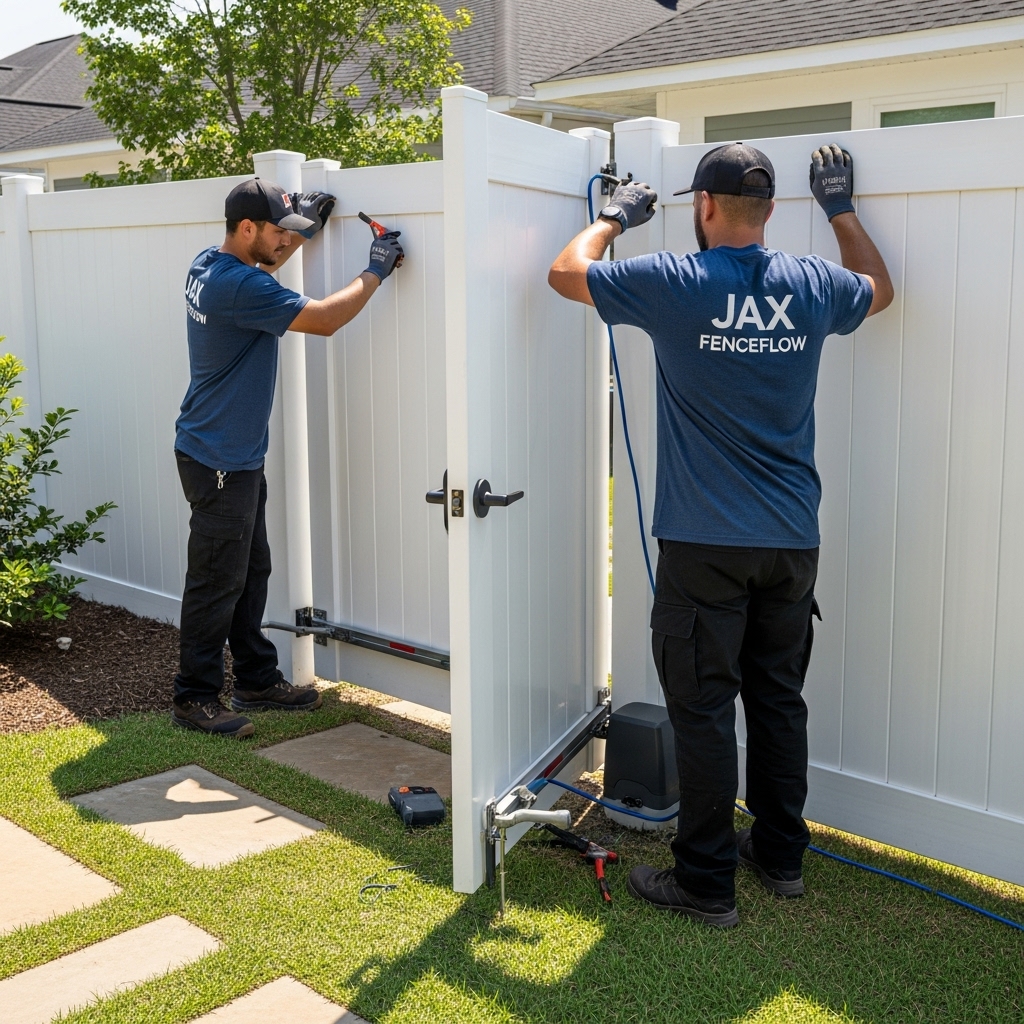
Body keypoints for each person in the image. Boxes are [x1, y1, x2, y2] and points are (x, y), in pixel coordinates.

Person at [548, 143, 893, 927]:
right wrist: (841, 209)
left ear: (703, 206)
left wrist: (611, 219)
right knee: (777, 700)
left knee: (702, 711)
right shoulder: (811, 285)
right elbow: (880, 291)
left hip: (705, 544)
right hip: (790, 542)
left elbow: (566, 273)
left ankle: (706, 882)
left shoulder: (675, 281)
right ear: (770, 210)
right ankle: (779, 855)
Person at [172, 178, 404, 738]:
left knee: (251, 572)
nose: (286, 242)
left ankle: (255, 676)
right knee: (215, 581)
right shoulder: (238, 287)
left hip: (228, 453)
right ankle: (194, 697)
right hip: (220, 458)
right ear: (247, 228)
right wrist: (375, 268)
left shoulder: (210, 265)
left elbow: (261, 275)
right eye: (279, 232)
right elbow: (323, 319)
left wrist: (305, 230)